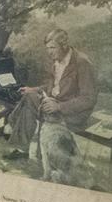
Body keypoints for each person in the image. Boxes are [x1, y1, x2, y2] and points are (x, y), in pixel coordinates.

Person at [7, 27, 98, 184]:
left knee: (27, 103)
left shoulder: (82, 63)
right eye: (47, 48)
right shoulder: (56, 62)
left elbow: (88, 99)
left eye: (52, 48)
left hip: (73, 111)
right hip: (54, 103)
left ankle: (13, 128)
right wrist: (33, 89)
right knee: (28, 96)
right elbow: (51, 88)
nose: (49, 52)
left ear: (63, 45)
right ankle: (20, 143)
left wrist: (60, 107)